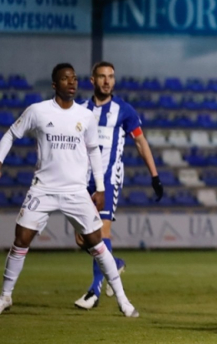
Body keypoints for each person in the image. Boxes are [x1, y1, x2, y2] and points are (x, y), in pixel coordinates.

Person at [0, 63, 139, 317]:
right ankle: (5, 297)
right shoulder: (38, 111)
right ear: (55, 85)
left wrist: (99, 187)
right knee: (20, 240)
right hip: (44, 189)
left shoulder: (85, 116)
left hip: (76, 191)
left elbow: (93, 151)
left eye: (74, 79)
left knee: (98, 244)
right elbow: (10, 134)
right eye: (65, 79)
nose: (72, 83)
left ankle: (123, 300)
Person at [73, 61, 164, 310]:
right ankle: (116, 262)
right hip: (82, 181)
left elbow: (141, 142)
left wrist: (154, 176)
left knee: (101, 234)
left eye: (111, 76)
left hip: (109, 179)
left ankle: (94, 292)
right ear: (92, 80)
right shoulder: (80, 109)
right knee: (83, 240)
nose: (107, 81)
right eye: (102, 76)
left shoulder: (124, 110)